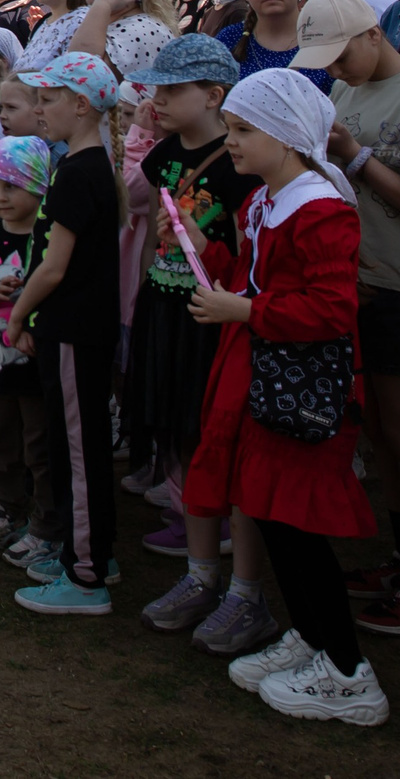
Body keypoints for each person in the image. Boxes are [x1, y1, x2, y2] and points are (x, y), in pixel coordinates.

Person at [180, 70, 386, 726]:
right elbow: (250, 273)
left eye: (244, 131)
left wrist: (242, 307)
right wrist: (202, 248)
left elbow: (331, 307)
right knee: (268, 511)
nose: (231, 142)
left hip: (303, 391)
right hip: (265, 378)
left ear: (290, 136)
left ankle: (350, 670)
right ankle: (313, 635)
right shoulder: (264, 203)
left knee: (296, 523)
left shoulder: (320, 210)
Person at [299, 0, 400, 635]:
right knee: (384, 433)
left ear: (372, 33)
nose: (334, 70)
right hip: (353, 282)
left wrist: (355, 157)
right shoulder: (345, 93)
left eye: (339, 56)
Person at [127, 33, 275, 649]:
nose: (156, 99)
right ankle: (198, 575)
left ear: (214, 95)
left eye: (171, 89)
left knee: (225, 447)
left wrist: (194, 232)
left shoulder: (243, 161)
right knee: (180, 439)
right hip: (165, 308)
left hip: (216, 320)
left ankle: (244, 590)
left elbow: (249, 255)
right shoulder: (162, 157)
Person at [3, 52, 126, 614]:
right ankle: (92, 551)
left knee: (79, 451)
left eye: (49, 99)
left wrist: (17, 314)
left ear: (82, 106)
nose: (40, 109)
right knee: (77, 444)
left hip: (76, 330)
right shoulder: (79, 166)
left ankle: (86, 576)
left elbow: (53, 266)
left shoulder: (80, 173)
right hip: (69, 328)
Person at [0, 136, 59, 564]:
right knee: (1, 444)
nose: (1, 197)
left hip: (36, 370)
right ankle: (6, 510)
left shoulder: (49, 241)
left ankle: (45, 524)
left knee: (40, 448)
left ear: (39, 187)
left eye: (12, 187)